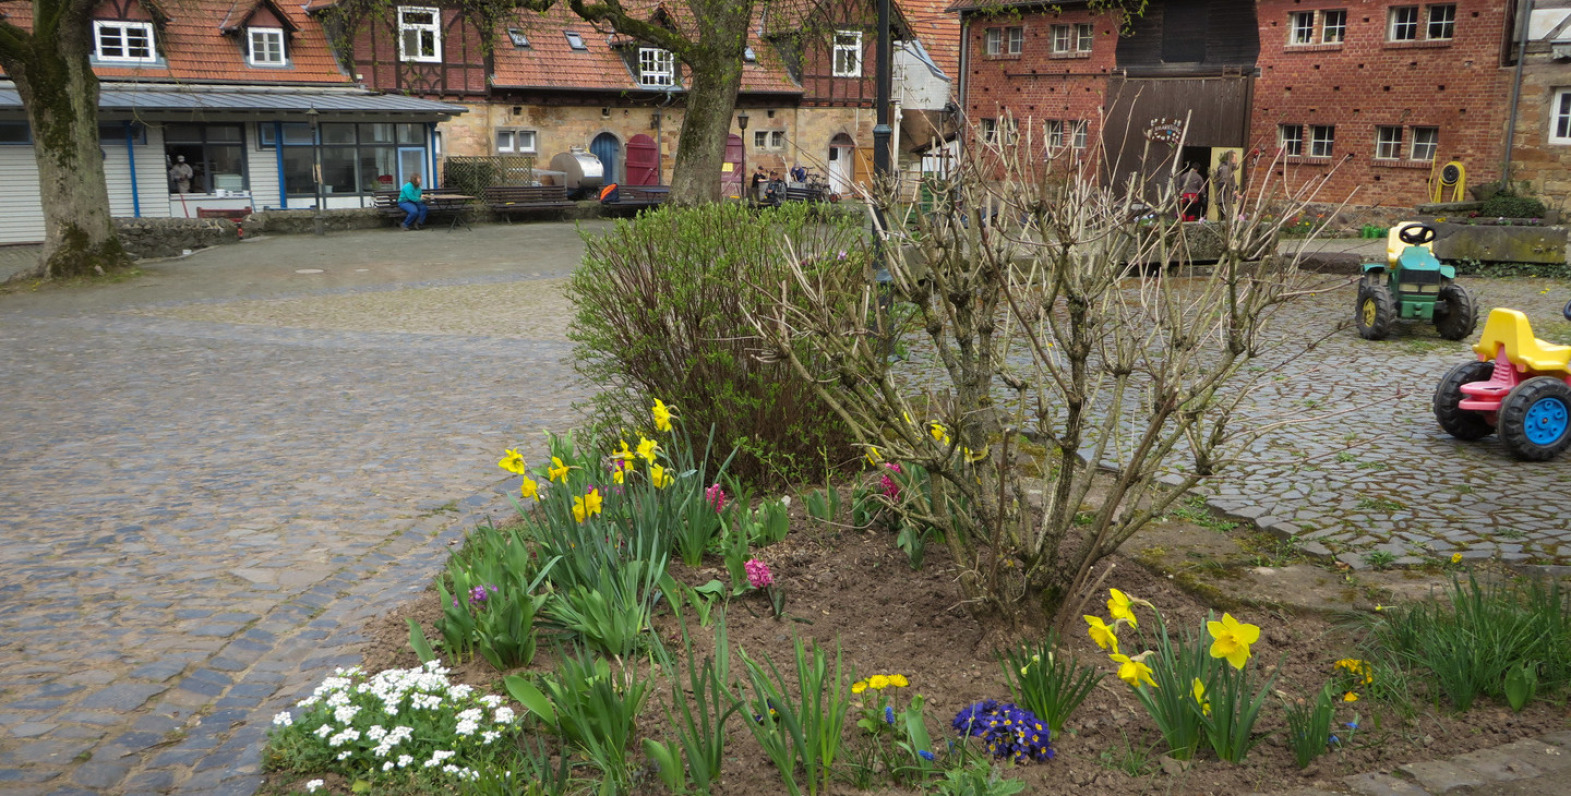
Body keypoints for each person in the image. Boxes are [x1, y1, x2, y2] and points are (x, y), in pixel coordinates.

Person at [1214, 151, 1238, 220]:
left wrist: (1235, 189)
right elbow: (1224, 183)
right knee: (1229, 218)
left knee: (1224, 219)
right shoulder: (1226, 169)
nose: (1236, 161)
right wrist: (1232, 191)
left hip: (1225, 198)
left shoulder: (1226, 168)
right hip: (1225, 199)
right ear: (1231, 159)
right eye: (1235, 158)